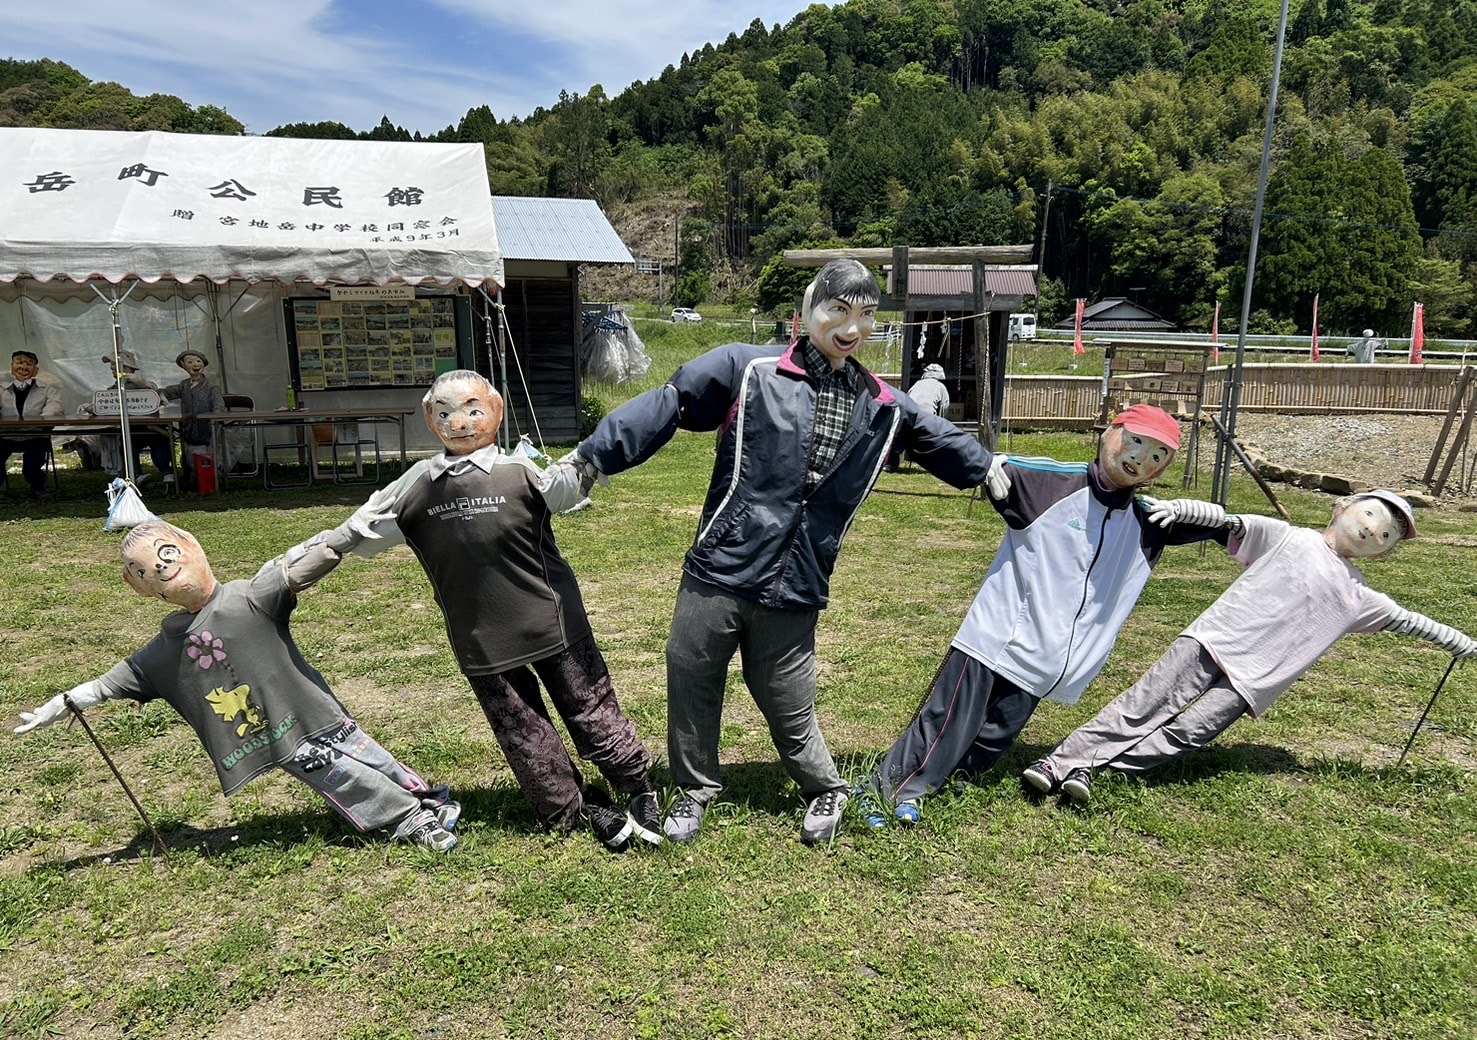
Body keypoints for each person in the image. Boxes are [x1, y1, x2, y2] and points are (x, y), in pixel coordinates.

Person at [573, 258, 1007, 846]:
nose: (850, 327)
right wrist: (595, 456)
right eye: (837, 310)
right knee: (693, 678)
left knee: (789, 699)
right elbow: (670, 402)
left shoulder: (880, 402)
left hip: (798, 578)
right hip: (721, 565)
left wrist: (990, 467)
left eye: (864, 315)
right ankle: (695, 790)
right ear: (807, 313)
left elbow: (940, 439)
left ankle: (825, 788)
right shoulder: (745, 368)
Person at [301, 370, 662, 853]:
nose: (461, 422)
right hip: (481, 640)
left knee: (591, 708)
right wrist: (301, 564)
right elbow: (360, 532)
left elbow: (569, 488)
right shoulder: (415, 487)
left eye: (473, 408)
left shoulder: (521, 470)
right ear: (431, 421)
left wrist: (595, 452)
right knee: (522, 731)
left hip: (555, 622)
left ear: (496, 410)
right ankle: (570, 807)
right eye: (445, 412)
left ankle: (636, 786)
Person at [865, 404, 1229, 828]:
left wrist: (1221, 517)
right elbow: (963, 459)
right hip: (998, 636)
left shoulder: (1150, 523)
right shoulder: (1048, 483)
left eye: (1155, 456)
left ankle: (950, 786)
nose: (1138, 459)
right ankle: (887, 790)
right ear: (1110, 433)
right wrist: (984, 466)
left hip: (1051, 659)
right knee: (947, 723)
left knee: (995, 735)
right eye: (1135, 442)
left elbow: (1251, 536)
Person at [14, 520, 460, 851]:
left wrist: (349, 533)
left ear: (191, 546)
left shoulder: (249, 597)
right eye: (146, 570)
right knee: (343, 777)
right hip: (275, 735)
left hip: (315, 708)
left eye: (166, 555)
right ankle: (408, 819)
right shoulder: (164, 650)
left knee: (368, 755)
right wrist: (65, 701)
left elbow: (299, 568)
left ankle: (422, 797)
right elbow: (113, 682)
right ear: (137, 586)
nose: (162, 570)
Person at [1022, 490, 1477, 802]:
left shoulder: (1361, 599)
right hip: (1213, 640)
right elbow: (1228, 520)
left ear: (1385, 553)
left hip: (1255, 680)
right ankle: (1058, 761)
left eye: (1386, 535)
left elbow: (1412, 622)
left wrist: (1461, 643)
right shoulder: (1289, 537)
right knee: (1144, 704)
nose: (1373, 530)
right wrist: (1182, 508)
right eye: (1372, 515)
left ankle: (1094, 769)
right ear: (1345, 507)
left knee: (1188, 734)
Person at [95, 350, 176, 485]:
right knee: (127, 447)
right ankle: (136, 474)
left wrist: (139, 382)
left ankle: (167, 472)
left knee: (159, 445)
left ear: (127, 368)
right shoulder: (113, 389)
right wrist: (92, 407)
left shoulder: (143, 384)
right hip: (131, 429)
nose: (113, 371)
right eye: (112, 369)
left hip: (153, 427)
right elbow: (106, 404)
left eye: (116, 368)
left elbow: (154, 390)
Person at [1, 349, 63, 498]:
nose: (23, 367)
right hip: (5, 435)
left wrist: (41, 421)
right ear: (12, 366)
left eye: (29, 364)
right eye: (19, 362)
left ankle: (38, 487)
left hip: (35, 435)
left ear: (35, 370)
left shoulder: (47, 390)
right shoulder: (2, 389)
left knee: (33, 460)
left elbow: (55, 407)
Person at [161, 350, 225, 489]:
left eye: (198, 361)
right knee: (187, 455)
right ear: (184, 366)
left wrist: (215, 419)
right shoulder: (184, 385)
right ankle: (188, 477)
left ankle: (210, 479)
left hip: (207, 429)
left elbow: (219, 405)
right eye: (190, 362)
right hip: (188, 429)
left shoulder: (211, 386)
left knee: (208, 456)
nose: (195, 365)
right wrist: (161, 395)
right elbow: (167, 392)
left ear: (203, 364)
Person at [887, 363, 951, 471]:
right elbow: (944, 407)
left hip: (908, 414)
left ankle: (891, 464)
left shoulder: (917, 384)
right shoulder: (941, 387)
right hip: (927, 417)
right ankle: (932, 466)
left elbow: (906, 398)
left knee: (901, 439)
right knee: (932, 441)